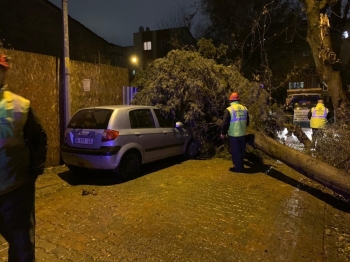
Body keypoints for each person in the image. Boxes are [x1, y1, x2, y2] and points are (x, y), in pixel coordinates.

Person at [0, 53, 47, 261]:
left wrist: (32, 174)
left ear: (3, 73)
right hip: (16, 189)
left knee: (21, 250)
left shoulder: (20, 107)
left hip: (16, 193)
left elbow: (39, 139)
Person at [221, 92, 249, 172]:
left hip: (233, 134)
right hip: (242, 133)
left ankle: (238, 168)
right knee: (241, 150)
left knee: (235, 151)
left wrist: (223, 133)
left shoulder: (229, 110)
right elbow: (247, 122)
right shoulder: (244, 108)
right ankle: (240, 165)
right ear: (238, 100)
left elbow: (225, 123)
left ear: (230, 101)